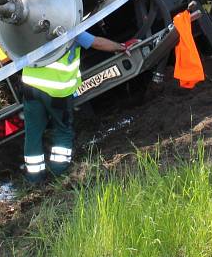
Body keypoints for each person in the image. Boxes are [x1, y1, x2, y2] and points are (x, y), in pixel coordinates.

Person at [20, 32, 130, 183]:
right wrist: (120, 47)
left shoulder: (30, 27)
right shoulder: (66, 27)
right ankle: (58, 174)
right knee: (62, 130)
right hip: (57, 90)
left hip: (30, 86)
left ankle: (34, 179)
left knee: (33, 133)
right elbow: (96, 43)